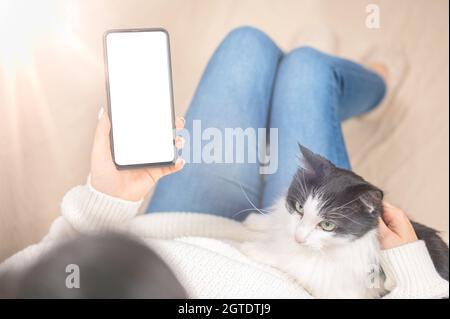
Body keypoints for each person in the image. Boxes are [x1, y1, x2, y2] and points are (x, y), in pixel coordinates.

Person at [0, 26, 448, 298]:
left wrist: (103, 203)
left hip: (179, 227)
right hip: (305, 273)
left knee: (247, 43)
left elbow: (44, 268)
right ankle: (374, 85)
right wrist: (414, 277)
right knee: (308, 71)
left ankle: (329, 84)